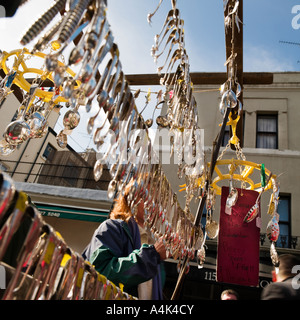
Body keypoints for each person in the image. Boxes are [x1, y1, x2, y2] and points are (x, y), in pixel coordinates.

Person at [82, 180, 167, 300]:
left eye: (158, 201)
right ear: (131, 199)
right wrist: (152, 255)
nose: (154, 204)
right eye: (147, 197)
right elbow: (101, 273)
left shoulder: (152, 243)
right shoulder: (112, 228)